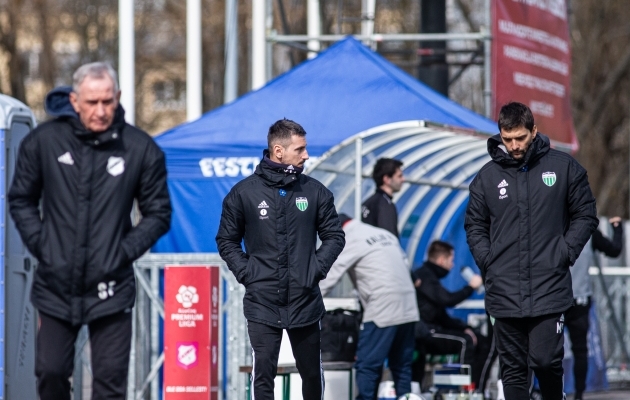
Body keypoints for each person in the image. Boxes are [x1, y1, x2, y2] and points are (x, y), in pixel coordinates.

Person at [8, 62, 172, 400]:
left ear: (118, 98)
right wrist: (43, 245)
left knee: (109, 385)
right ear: (74, 100)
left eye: (107, 101)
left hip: (111, 288)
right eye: (92, 102)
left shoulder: (140, 148)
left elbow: (159, 213)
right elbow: (21, 199)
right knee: (51, 375)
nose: (100, 110)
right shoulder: (45, 141)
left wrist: (121, 253)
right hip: (55, 285)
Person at [464, 101, 598, 400]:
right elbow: (474, 226)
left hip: (549, 287)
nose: (513, 145)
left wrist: (564, 252)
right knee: (512, 370)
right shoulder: (486, 178)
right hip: (504, 289)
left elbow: (586, 214)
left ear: (534, 131)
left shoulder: (563, 168)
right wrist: (488, 261)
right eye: (507, 139)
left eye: (520, 138)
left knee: (545, 360)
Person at [216, 118, 345, 400]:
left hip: (305, 299)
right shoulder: (244, 193)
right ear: (278, 151)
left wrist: (315, 269)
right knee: (264, 374)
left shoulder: (315, 191)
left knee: (311, 373)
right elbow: (226, 240)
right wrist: (247, 272)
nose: (306, 155)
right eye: (300, 149)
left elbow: (335, 236)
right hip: (262, 300)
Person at [319, 214, 419, 400]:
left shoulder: (347, 238)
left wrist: (304, 300)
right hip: (409, 304)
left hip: (384, 305)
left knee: (367, 364)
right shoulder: (383, 233)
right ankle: (404, 397)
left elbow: (328, 275)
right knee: (401, 365)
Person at [410, 240, 491, 391]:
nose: (452, 265)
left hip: (433, 329)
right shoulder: (425, 276)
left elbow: (441, 315)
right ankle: (464, 390)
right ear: (441, 260)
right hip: (425, 332)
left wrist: (465, 327)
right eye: (451, 261)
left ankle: (477, 387)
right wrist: (470, 287)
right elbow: (448, 300)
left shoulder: (431, 277)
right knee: (465, 341)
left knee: (480, 339)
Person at [565, 216, 623, 400]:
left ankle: (564, 393)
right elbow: (614, 249)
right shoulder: (587, 230)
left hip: (560, 299)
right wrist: (617, 228)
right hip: (578, 298)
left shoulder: (551, 226)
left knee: (548, 351)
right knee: (579, 349)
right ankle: (578, 394)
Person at [362, 158, 404, 238]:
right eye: (399, 176)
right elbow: (389, 237)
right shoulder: (384, 204)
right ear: (387, 179)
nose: (403, 179)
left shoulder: (369, 202)